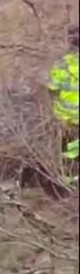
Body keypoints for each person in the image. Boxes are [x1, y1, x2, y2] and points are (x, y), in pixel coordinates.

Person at [48, 28, 79, 178]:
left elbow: (53, 88)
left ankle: (70, 179)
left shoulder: (61, 65)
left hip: (66, 118)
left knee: (68, 151)